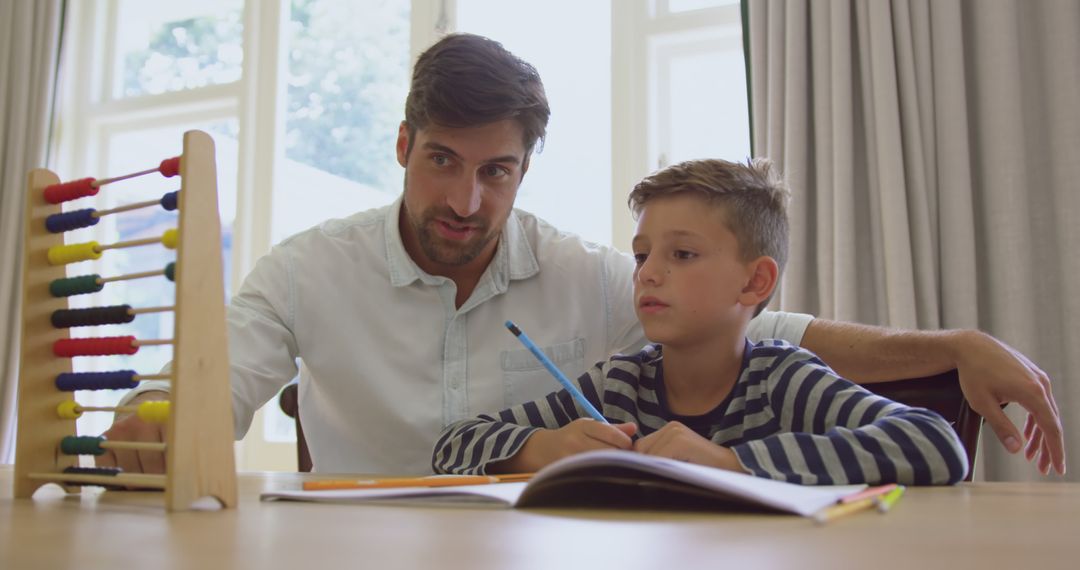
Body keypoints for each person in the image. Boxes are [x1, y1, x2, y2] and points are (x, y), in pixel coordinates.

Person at [100, 33, 1064, 477]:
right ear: (403, 147)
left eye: (498, 172)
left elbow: (761, 329)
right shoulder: (304, 269)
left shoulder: (592, 276)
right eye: (443, 162)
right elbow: (209, 392)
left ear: (525, 168)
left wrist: (953, 344)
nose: (466, 201)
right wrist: (154, 420)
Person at [432, 158, 969, 484]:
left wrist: (732, 463)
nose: (648, 275)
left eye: (682, 255)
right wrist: (543, 448)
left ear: (755, 283)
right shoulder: (620, 383)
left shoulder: (781, 381)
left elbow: (935, 444)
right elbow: (453, 445)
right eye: (642, 256)